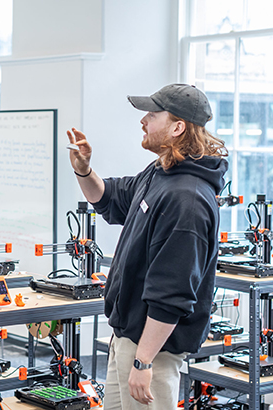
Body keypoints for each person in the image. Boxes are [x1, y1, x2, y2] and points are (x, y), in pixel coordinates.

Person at [67, 84, 228, 409]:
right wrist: (83, 169)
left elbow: (173, 293)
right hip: (128, 338)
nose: (143, 121)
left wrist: (143, 362)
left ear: (177, 126)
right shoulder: (161, 173)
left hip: (153, 350)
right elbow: (111, 197)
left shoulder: (188, 199)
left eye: (153, 115)